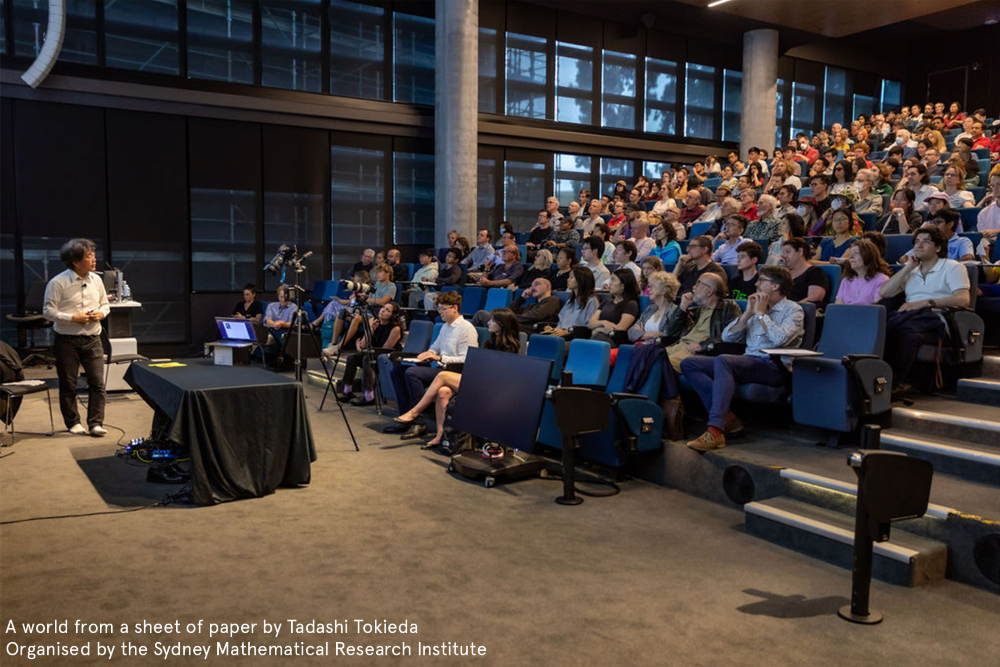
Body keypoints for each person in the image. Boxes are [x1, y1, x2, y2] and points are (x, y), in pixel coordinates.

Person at [681, 265, 804, 451]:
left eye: (761, 280)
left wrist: (762, 315)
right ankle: (728, 418)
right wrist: (747, 314)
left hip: (773, 366)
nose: (756, 283)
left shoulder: (793, 310)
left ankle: (715, 430)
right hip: (749, 362)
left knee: (724, 360)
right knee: (689, 363)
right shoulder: (754, 309)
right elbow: (728, 337)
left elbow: (781, 339)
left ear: (775, 286)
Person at [391, 308, 519, 448]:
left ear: (502, 323)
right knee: (443, 392)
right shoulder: (489, 343)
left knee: (442, 375)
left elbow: (501, 375)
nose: (488, 322)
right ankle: (441, 436)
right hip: (477, 380)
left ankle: (414, 412)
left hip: (491, 388)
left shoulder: (511, 348)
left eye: (492, 320)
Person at [879, 226, 970, 393]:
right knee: (882, 329)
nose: (919, 245)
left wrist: (923, 303)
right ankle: (875, 379)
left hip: (939, 322)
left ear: (938, 247)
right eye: (917, 242)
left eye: (926, 241)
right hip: (910, 318)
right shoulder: (912, 271)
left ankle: (896, 383)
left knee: (908, 333)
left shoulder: (952, 267)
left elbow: (963, 299)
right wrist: (907, 268)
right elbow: (885, 292)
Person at [383, 290, 478, 439]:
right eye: (439, 308)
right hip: (440, 368)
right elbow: (435, 347)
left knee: (412, 373)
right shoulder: (446, 326)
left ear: (454, 307)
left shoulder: (466, 328)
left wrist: (439, 357)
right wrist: (428, 353)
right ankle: (405, 416)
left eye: (443, 308)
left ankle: (419, 421)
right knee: (398, 370)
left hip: (454, 372)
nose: (440, 312)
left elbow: (467, 359)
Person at [42, 238, 111, 436]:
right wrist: (73, 318)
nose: (94, 260)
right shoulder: (58, 282)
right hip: (67, 340)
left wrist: (101, 313)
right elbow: (47, 311)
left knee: (98, 383)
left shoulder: (97, 280)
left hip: (93, 338)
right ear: (75, 261)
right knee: (68, 383)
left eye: (93, 256)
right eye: (89, 256)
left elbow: (104, 304)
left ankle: (96, 423)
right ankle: (73, 423)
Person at [335, 302, 404, 406]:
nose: (383, 310)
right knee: (352, 358)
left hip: (386, 356)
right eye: (383, 307)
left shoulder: (395, 329)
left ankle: (369, 396)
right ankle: (347, 391)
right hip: (370, 352)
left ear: (393, 316)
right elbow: (363, 344)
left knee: (367, 358)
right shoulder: (372, 321)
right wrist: (371, 330)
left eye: (387, 310)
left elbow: (384, 349)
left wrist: (363, 349)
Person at [330, 263, 396, 353]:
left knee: (356, 318)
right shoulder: (375, 284)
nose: (377, 274)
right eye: (377, 272)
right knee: (341, 314)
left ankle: (339, 346)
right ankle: (333, 344)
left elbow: (383, 301)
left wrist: (367, 299)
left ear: (388, 273)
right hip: (367, 310)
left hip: (377, 312)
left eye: (380, 272)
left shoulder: (391, 286)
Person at [473, 277, 560, 332]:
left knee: (482, 315)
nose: (532, 288)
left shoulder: (552, 300)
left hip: (528, 330)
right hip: (515, 326)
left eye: (537, 285)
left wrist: (507, 319)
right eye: (531, 286)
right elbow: (509, 311)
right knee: (486, 318)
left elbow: (536, 316)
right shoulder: (531, 306)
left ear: (548, 287)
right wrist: (521, 299)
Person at [541, 267, 599, 339]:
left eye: (571, 277)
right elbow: (561, 322)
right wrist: (553, 329)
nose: (568, 280)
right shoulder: (570, 301)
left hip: (575, 338)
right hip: (562, 335)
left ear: (580, 280)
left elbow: (588, 327)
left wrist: (567, 332)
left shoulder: (591, 301)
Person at [588, 269, 640, 348]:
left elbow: (620, 329)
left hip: (613, 341)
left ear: (623, 285)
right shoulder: (606, 302)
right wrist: (604, 323)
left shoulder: (631, 304)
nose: (610, 283)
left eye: (613, 280)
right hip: (598, 338)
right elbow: (591, 324)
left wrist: (598, 330)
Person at [627, 271, 679, 343]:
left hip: (658, 350)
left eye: (651, 286)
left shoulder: (674, 311)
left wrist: (641, 335)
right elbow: (631, 332)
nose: (648, 289)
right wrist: (652, 334)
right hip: (640, 348)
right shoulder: (650, 309)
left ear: (663, 290)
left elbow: (666, 337)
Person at [834, 239, 890, 305]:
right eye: (850, 253)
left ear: (868, 256)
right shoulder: (846, 280)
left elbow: (876, 309)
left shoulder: (881, 279)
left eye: (856, 253)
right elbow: (838, 308)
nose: (851, 257)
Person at [672, 235, 728, 301]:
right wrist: (679, 265)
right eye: (688, 247)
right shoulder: (688, 268)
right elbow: (670, 287)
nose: (687, 250)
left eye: (692, 247)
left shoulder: (716, 272)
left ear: (704, 249)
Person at [782, 238, 830, 308]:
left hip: (801, 312)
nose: (784, 256)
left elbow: (814, 298)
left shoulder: (815, 273)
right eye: (783, 252)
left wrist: (790, 309)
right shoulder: (783, 274)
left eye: (788, 252)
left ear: (800, 252)